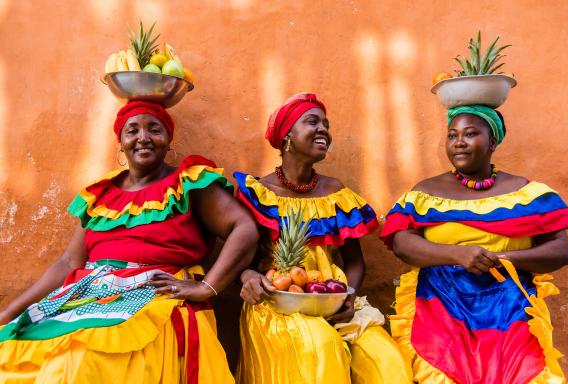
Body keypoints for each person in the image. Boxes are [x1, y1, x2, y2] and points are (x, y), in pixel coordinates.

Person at [0, 101, 259, 383]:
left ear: (168, 139)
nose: (143, 137)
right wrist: (9, 312)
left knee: (84, 357)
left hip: (152, 294)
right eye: (132, 130)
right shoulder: (102, 194)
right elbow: (69, 262)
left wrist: (206, 287)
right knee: (22, 349)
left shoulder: (186, 182)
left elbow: (244, 228)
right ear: (121, 143)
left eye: (154, 129)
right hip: (91, 294)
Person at [380, 105, 568, 383]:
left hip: (511, 304)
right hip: (440, 303)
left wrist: (504, 258)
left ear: (493, 141)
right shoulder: (426, 193)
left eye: (470, 134)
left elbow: (560, 250)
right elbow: (402, 243)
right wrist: (457, 255)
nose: (459, 142)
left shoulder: (527, 194)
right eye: (452, 135)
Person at [234, 93, 413, 384]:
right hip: (279, 304)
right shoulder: (258, 193)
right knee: (322, 349)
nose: (323, 130)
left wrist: (349, 297)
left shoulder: (335, 193)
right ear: (287, 136)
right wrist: (248, 278)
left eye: (326, 125)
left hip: (334, 298)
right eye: (312, 122)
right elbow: (240, 262)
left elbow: (355, 261)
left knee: (387, 361)